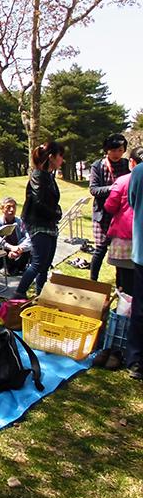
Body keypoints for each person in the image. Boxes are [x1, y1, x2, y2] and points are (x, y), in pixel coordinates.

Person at [11, 140, 66, 300]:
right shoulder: (38, 176)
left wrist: (57, 211)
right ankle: (18, 294)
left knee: (45, 265)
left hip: (49, 224)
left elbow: (51, 201)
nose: (62, 160)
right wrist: (55, 214)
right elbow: (38, 203)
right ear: (51, 157)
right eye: (60, 156)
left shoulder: (49, 176)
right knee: (38, 263)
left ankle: (40, 296)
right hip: (38, 223)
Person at [89, 133, 130, 282]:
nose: (117, 154)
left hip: (121, 216)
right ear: (106, 150)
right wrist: (113, 188)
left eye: (120, 150)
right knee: (100, 249)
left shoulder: (126, 164)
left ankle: (120, 285)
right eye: (113, 150)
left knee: (120, 253)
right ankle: (93, 281)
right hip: (102, 215)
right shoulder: (98, 165)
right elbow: (93, 190)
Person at [105, 147, 143, 295]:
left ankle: (125, 306)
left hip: (124, 239)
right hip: (139, 240)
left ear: (132, 162)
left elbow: (110, 206)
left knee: (125, 284)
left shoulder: (123, 181)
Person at [125, 161, 143, 380]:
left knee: (140, 308)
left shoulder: (138, 171)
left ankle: (136, 359)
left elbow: (133, 201)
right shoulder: (139, 171)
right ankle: (136, 360)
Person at [0, 196, 32, 276]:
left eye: (14, 207)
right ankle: (11, 267)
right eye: (8, 207)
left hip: (17, 252)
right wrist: (10, 247)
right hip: (2, 251)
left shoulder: (20, 222)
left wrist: (20, 248)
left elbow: (29, 237)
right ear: (2, 209)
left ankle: (12, 267)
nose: (12, 209)